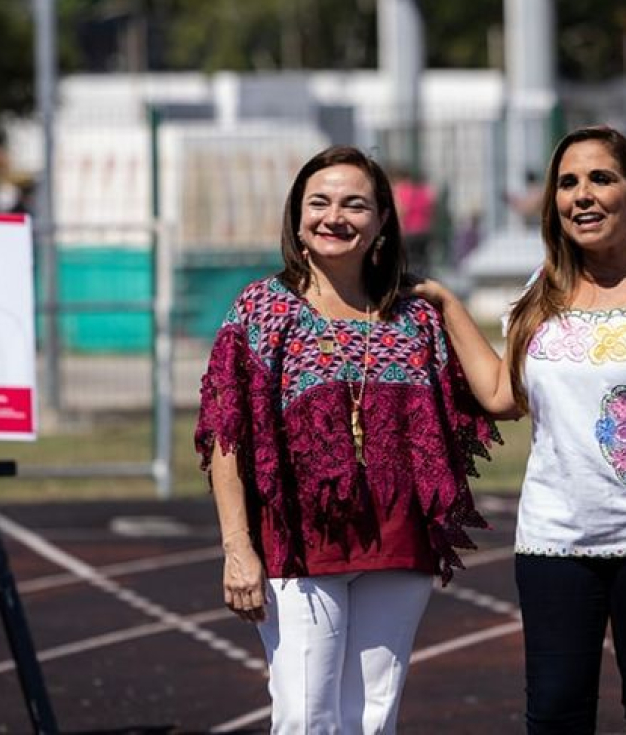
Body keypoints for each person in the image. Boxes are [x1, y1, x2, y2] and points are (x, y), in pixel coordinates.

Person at [417, 124, 626, 733]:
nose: (582, 195)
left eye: (601, 179)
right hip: (554, 544)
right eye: (568, 183)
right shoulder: (540, 293)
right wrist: (446, 305)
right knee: (555, 716)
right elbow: (500, 395)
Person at [195, 145, 499, 734]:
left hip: (398, 543)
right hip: (299, 545)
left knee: (374, 718)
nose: (335, 216)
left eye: (355, 204)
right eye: (320, 202)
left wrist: (446, 298)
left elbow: (501, 400)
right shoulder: (261, 309)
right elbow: (227, 436)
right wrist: (238, 547)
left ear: (383, 219)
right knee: (307, 716)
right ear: (297, 215)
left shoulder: (415, 318)